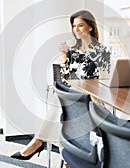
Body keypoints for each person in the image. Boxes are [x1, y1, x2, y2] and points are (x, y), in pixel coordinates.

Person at [10, 10, 111, 164]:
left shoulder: (102, 51)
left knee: (62, 107)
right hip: (76, 95)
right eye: (74, 26)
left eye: (80, 25)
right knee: (64, 105)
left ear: (90, 27)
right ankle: (63, 157)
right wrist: (64, 56)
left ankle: (41, 144)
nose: (76, 29)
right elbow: (66, 78)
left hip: (93, 97)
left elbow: (103, 78)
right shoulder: (72, 51)